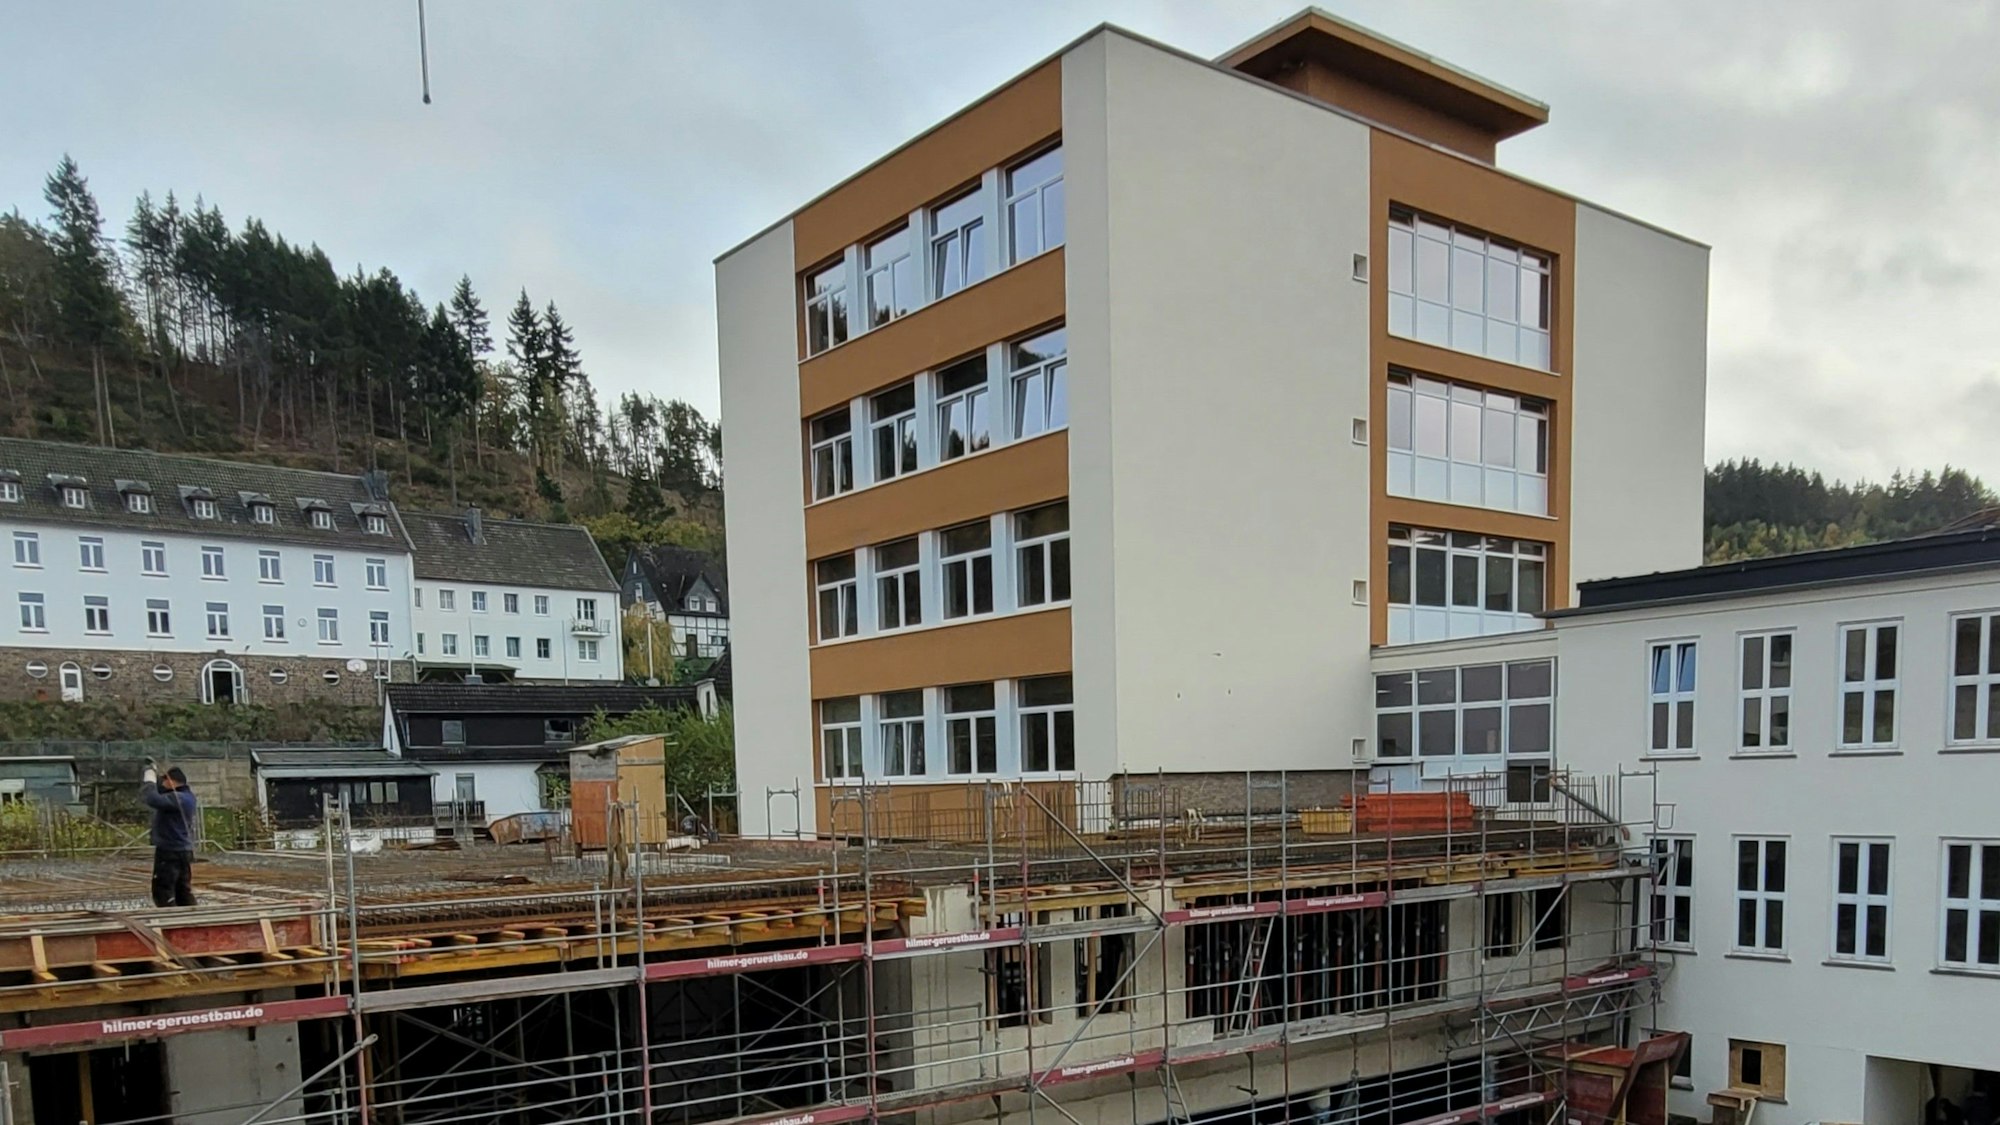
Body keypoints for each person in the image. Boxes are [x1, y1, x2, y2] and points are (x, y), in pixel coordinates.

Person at [140, 760, 199, 907]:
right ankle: (190, 916)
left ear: (172, 781)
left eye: (165, 780)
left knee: (163, 890)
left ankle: (169, 918)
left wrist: (149, 777)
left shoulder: (179, 798)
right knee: (182, 890)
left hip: (170, 852)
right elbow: (159, 792)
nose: (163, 783)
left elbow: (152, 798)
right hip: (182, 850)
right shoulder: (187, 796)